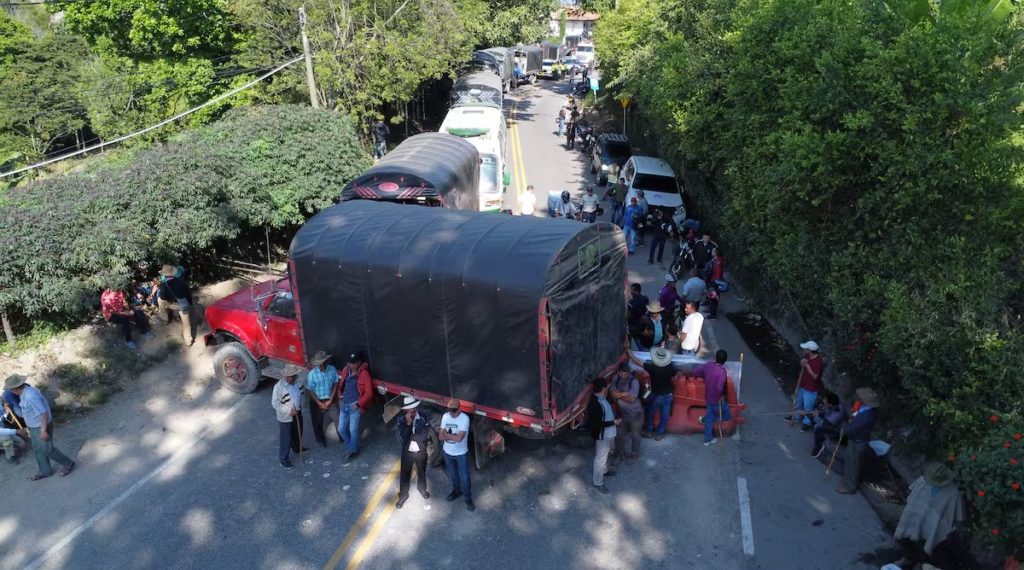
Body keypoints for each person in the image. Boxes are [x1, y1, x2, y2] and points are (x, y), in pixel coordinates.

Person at [889, 463, 964, 569]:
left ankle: (922, 563)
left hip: (935, 522)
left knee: (933, 542)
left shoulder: (953, 493)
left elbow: (955, 515)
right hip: (916, 513)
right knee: (905, 527)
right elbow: (913, 494)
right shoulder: (923, 481)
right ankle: (908, 558)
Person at [5, 374, 76, 480]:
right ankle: (45, 471)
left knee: (47, 449)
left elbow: (43, 413)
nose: (9, 391)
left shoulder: (31, 396)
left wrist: (43, 431)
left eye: (10, 389)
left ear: (14, 389)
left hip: (41, 426)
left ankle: (68, 464)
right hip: (34, 426)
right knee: (38, 449)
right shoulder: (23, 392)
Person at [836, 387, 880, 495]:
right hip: (856, 440)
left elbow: (852, 430)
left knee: (853, 464)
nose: (858, 397)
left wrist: (844, 426)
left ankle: (851, 487)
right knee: (849, 461)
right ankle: (847, 481)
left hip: (858, 442)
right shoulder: (864, 408)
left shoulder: (866, 416)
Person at [629, 347, 676, 441]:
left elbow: (637, 361)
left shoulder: (653, 367)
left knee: (650, 412)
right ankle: (659, 433)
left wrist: (628, 351)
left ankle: (648, 431)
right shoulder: (670, 367)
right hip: (669, 394)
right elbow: (677, 373)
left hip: (658, 394)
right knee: (665, 415)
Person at [395, 396, 431, 508]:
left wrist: (412, 437)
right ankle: (403, 496)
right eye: (409, 409)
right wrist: (408, 424)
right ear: (406, 410)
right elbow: (403, 437)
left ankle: (422, 489)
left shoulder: (423, 418)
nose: (412, 410)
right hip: (407, 452)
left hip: (420, 451)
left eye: (413, 408)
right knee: (405, 474)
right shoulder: (401, 420)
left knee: (421, 472)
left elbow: (424, 436)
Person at [439, 399, 474, 511]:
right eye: (450, 410)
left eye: (454, 410)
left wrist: (447, 435)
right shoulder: (445, 416)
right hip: (447, 452)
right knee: (453, 475)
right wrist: (449, 435)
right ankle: (456, 491)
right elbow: (440, 436)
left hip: (461, 454)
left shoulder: (464, 418)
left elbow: (459, 438)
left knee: (465, 478)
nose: (452, 413)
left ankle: (468, 499)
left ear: (460, 409)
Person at [587, 377, 620, 494]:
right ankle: (598, 482)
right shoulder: (595, 403)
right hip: (603, 435)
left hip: (608, 433)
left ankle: (604, 471)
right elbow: (596, 423)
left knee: (605, 455)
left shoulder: (601, 397)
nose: (607, 387)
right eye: (605, 386)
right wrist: (614, 422)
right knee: (600, 459)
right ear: (602, 388)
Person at [272, 364, 309, 469]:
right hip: (286, 417)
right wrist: (289, 410)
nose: (290, 378)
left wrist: (300, 407)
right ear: (285, 376)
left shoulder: (298, 382)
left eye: (292, 376)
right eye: (288, 377)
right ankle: (283, 459)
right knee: (286, 438)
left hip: (297, 412)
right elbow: (275, 403)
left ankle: (297, 448)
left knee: (298, 432)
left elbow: (301, 393)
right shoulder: (278, 387)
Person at [337, 352, 373, 461]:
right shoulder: (345, 370)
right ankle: (353, 448)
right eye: (349, 363)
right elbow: (341, 386)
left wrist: (358, 404)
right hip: (344, 405)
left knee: (353, 430)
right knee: (341, 429)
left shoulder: (364, 374)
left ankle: (353, 451)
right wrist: (340, 398)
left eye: (353, 363)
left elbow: (369, 393)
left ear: (358, 363)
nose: (351, 365)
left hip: (355, 406)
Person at [693, 350, 731, 446]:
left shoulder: (709, 365)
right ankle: (707, 434)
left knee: (710, 414)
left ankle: (706, 423)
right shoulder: (722, 372)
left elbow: (696, 372)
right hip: (717, 399)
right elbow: (719, 387)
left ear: (715, 357)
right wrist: (721, 396)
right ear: (725, 361)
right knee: (727, 416)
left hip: (708, 396)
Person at [787, 340, 824, 432]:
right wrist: (802, 362)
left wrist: (807, 365)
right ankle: (795, 417)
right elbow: (803, 364)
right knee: (798, 402)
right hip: (803, 385)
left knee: (808, 407)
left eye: (805, 349)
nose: (804, 350)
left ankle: (806, 423)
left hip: (811, 388)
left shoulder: (818, 362)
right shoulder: (807, 356)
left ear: (810, 350)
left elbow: (815, 376)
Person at [609, 362, 642, 465]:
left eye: (625, 373)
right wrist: (625, 394)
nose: (623, 375)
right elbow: (612, 394)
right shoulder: (616, 378)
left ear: (628, 372)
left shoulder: (634, 381)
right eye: (621, 373)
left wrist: (618, 395)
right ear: (618, 372)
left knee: (635, 435)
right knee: (619, 434)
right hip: (623, 414)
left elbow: (631, 399)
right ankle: (619, 454)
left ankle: (634, 454)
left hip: (635, 413)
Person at [305, 351, 339, 449]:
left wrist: (331, 399)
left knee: (337, 419)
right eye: (318, 364)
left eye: (321, 363)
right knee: (317, 422)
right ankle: (320, 439)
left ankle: (342, 436)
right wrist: (319, 403)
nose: (319, 365)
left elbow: (335, 384)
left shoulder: (332, 370)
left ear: (325, 362)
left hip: (329, 398)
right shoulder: (312, 374)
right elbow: (311, 390)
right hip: (317, 400)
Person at [156, 264, 195, 346]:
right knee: (186, 325)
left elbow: (162, 297)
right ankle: (188, 341)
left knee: (160, 300)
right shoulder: (181, 281)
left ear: (164, 275)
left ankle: (165, 317)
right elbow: (188, 294)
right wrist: (190, 303)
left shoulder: (163, 286)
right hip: (184, 306)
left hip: (172, 305)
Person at [811, 392, 846, 457]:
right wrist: (818, 413)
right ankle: (820, 439)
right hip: (830, 423)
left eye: (825, 400)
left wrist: (816, 416)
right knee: (815, 423)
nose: (824, 401)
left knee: (817, 428)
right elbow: (825, 413)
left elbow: (825, 424)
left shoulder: (838, 412)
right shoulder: (832, 404)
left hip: (837, 430)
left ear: (830, 404)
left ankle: (818, 447)